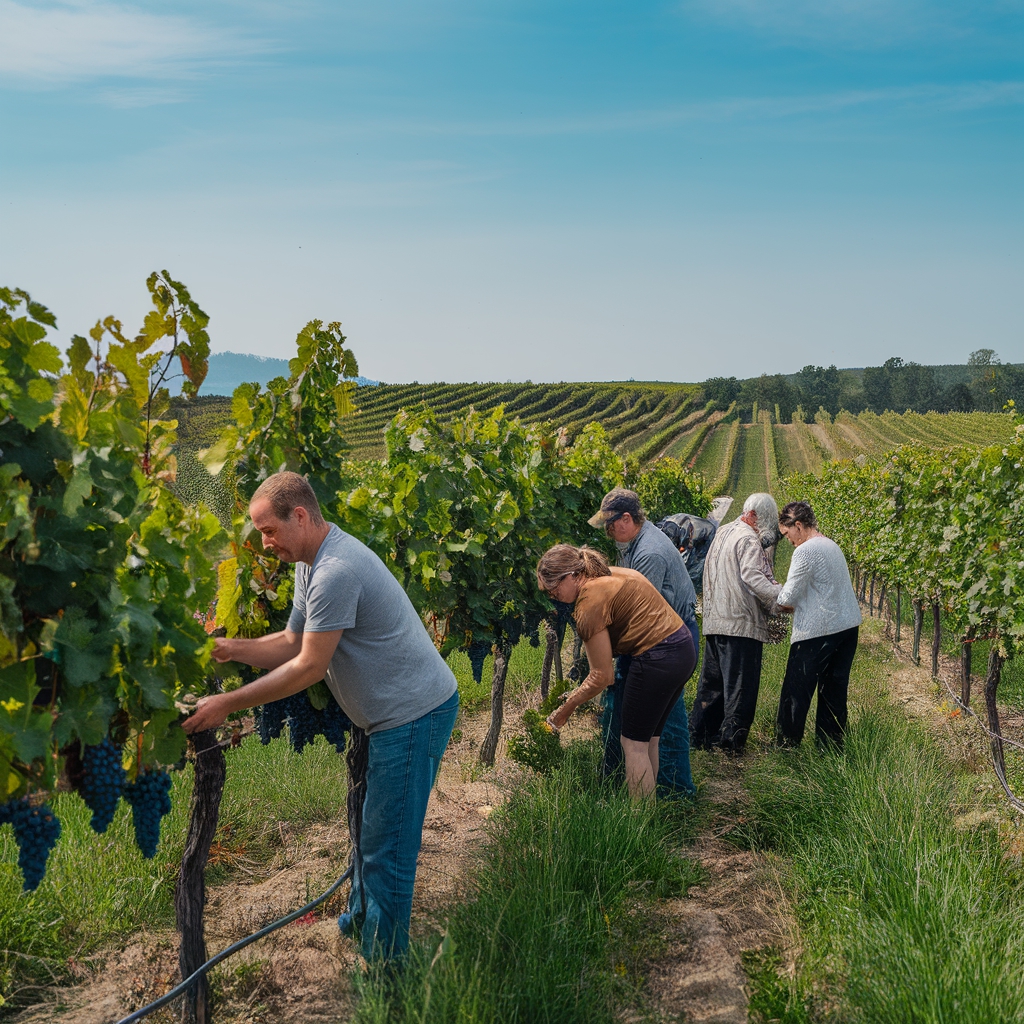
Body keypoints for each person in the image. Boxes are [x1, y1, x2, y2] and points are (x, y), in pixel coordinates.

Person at [183, 471, 458, 961]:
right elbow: (291, 642)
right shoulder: (308, 564)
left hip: (414, 714)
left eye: (269, 531)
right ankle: (359, 922)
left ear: (301, 516)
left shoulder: (336, 570)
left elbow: (308, 667)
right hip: (395, 713)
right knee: (375, 833)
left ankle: (387, 971)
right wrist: (228, 649)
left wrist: (226, 703)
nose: (265, 544)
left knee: (388, 847)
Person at [537, 544, 697, 799]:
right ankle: (650, 812)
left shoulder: (589, 602)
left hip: (656, 658)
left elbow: (602, 676)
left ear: (571, 576)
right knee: (648, 740)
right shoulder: (610, 574)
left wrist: (564, 711)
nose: (553, 596)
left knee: (632, 744)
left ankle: (639, 824)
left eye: (554, 588)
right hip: (682, 648)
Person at [588, 489, 698, 796]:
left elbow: (638, 613)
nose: (608, 532)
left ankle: (676, 792)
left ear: (627, 519)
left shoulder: (648, 553)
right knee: (647, 723)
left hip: (665, 641)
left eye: (610, 524)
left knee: (666, 722)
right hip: (666, 637)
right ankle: (643, 786)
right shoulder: (633, 542)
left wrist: (604, 647)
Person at [689, 493, 782, 753]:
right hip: (741, 624)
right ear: (751, 515)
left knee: (712, 685)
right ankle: (732, 744)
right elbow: (753, 577)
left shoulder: (724, 532)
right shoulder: (748, 539)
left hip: (715, 620)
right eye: (762, 521)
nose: (763, 528)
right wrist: (781, 596)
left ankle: (699, 737)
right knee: (741, 688)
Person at [774, 500, 861, 748]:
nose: (788, 540)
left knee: (796, 691)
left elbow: (787, 597)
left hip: (818, 631)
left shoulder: (805, 550)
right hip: (847, 628)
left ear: (798, 525)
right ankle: (830, 748)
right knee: (833, 691)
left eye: (787, 533)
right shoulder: (831, 544)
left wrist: (775, 597)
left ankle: (786, 747)